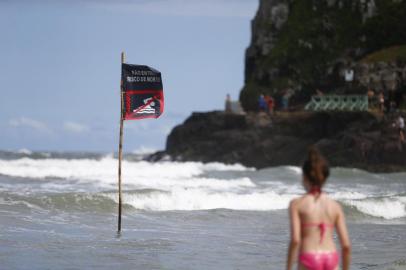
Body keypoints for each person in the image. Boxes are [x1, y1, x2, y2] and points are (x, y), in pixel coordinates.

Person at [286, 147, 351, 270]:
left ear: (304, 177)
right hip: (331, 257)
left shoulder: (297, 204)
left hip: (308, 257)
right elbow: (346, 246)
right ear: (324, 178)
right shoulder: (335, 206)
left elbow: (295, 240)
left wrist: (288, 268)